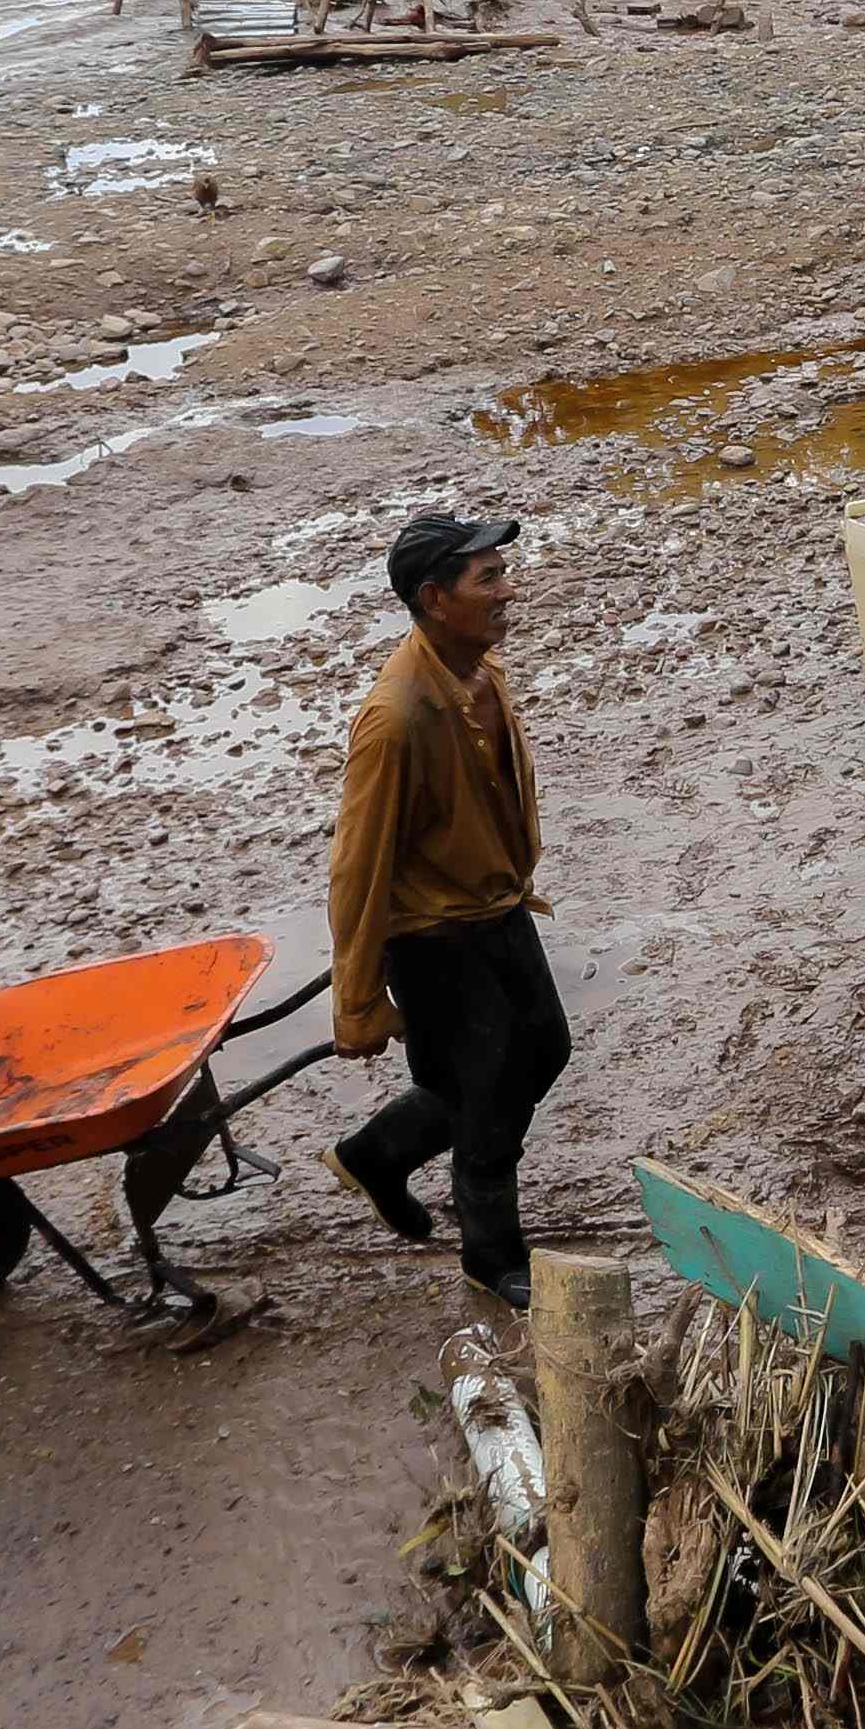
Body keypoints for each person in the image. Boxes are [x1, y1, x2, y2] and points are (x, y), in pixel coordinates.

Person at [325, 509, 568, 1305]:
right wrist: (358, 1001)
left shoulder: (480, 674)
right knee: (490, 1090)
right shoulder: (396, 721)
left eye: (504, 573)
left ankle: (378, 1154)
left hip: (495, 906)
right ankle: (491, 1256)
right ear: (435, 598)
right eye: (488, 578)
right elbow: (357, 868)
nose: (509, 590)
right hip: (433, 936)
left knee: (543, 1047)